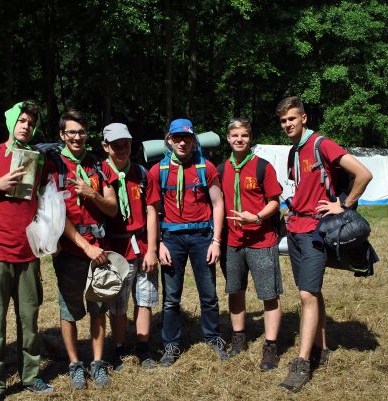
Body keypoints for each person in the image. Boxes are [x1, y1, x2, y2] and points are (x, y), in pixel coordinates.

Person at [276, 97, 372, 392]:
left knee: (307, 294)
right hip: (295, 228)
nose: (287, 124)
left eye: (292, 119)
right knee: (311, 293)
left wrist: (343, 204)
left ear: (304, 118)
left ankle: (303, 362)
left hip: (315, 232)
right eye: (283, 121)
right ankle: (323, 347)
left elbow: (364, 174)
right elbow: (304, 188)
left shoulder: (321, 144)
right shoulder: (294, 151)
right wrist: (291, 211)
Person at [0, 101, 54, 400]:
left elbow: (43, 198)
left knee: (29, 320)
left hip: (27, 253)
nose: (26, 126)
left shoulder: (39, 160)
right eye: (22, 120)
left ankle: (30, 377)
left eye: (31, 122)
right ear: (11, 121)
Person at [145, 118, 227, 366]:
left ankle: (213, 337)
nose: (182, 142)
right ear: (169, 140)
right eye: (177, 138)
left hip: (203, 237)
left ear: (193, 140)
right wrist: (158, 243)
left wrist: (216, 241)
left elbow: (218, 203)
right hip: (171, 239)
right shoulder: (157, 171)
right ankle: (171, 344)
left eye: (187, 138)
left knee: (209, 294)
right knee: (171, 297)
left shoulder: (207, 167)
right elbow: (153, 210)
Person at [48, 109, 118, 390]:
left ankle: (98, 363)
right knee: (69, 311)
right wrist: (85, 246)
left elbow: (112, 209)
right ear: (62, 135)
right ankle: (75, 364)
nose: (77, 137)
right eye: (71, 132)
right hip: (71, 252)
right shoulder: (53, 167)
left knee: (98, 308)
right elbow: (55, 214)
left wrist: (93, 194)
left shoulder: (100, 165)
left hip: (100, 250)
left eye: (81, 132)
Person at [219, 118, 283, 371]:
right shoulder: (221, 169)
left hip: (261, 241)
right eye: (234, 135)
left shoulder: (262, 167)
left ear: (250, 137)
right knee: (235, 291)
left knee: (269, 294)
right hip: (232, 243)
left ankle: (271, 345)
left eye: (244, 135)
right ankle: (238, 337)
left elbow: (275, 201)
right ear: (228, 138)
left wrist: (256, 217)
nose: (239, 140)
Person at [101, 123, 160, 371]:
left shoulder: (142, 173)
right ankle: (118, 346)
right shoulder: (100, 173)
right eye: (116, 145)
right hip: (114, 247)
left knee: (144, 297)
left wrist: (152, 249)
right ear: (105, 147)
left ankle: (143, 347)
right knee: (117, 302)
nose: (123, 149)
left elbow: (151, 210)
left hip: (141, 244)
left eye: (126, 143)